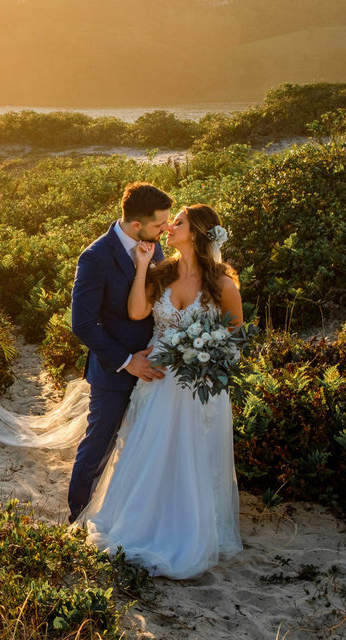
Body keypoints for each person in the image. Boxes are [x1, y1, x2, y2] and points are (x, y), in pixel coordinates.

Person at [75, 203, 243, 579]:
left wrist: (205, 356)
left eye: (178, 222)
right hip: (158, 381)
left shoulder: (223, 285)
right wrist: (140, 268)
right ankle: (143, 524)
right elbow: (137, 312)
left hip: (199, 387)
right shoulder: (161, 272)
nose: (169, 228)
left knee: (191, 458)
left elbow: (236, 335)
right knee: (149, 452)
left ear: (197, 233)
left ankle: (186, 530)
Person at [66, 182, 171, 524]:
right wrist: (128, 362)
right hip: (113, 373)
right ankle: (77, 516)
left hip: (155, 370)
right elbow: (82, 323)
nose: (165, 230)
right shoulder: (95, 256)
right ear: (137, 224)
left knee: (140, 446)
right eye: (159, 225)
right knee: (98, 446)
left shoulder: (154, 248)